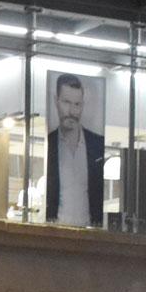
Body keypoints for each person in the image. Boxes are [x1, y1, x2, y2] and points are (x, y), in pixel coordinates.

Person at [43, 73, 102, 226]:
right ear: (56, 101)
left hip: (89, 234)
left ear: (83, 105)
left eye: (77, 104)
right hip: (56, 231)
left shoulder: (96, 145)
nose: (72, 111)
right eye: (66, 102)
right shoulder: (49, 145)